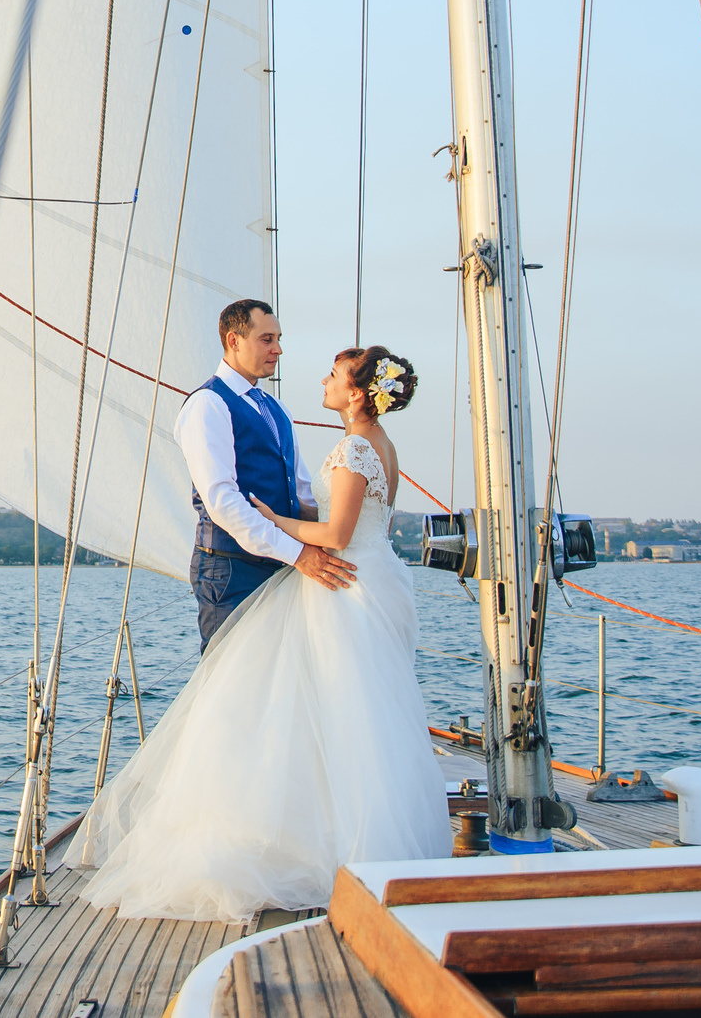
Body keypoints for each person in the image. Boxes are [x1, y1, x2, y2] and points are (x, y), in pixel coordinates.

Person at [77, 344, 450, 920]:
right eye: (270, 338)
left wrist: (279, 525)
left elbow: (338, 530)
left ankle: (309, 840)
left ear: (357, 392)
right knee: (351, 711)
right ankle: (330, 833)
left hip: (343, 580)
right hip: (369, 577)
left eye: (333, 375)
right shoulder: (376, 444)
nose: (318, 378)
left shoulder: (354, 446)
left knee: (331, 710)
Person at [177, 299, 354, 650]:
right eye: (267, 339)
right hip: (231, 573)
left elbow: (299, 490)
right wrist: (298, 554)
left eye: (278, 339)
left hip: (283, 567)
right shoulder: (207, 404)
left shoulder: (276, 407)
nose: (278, 349)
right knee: (232, 685)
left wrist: (344, 530)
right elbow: (222, 502)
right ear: (234, 340)